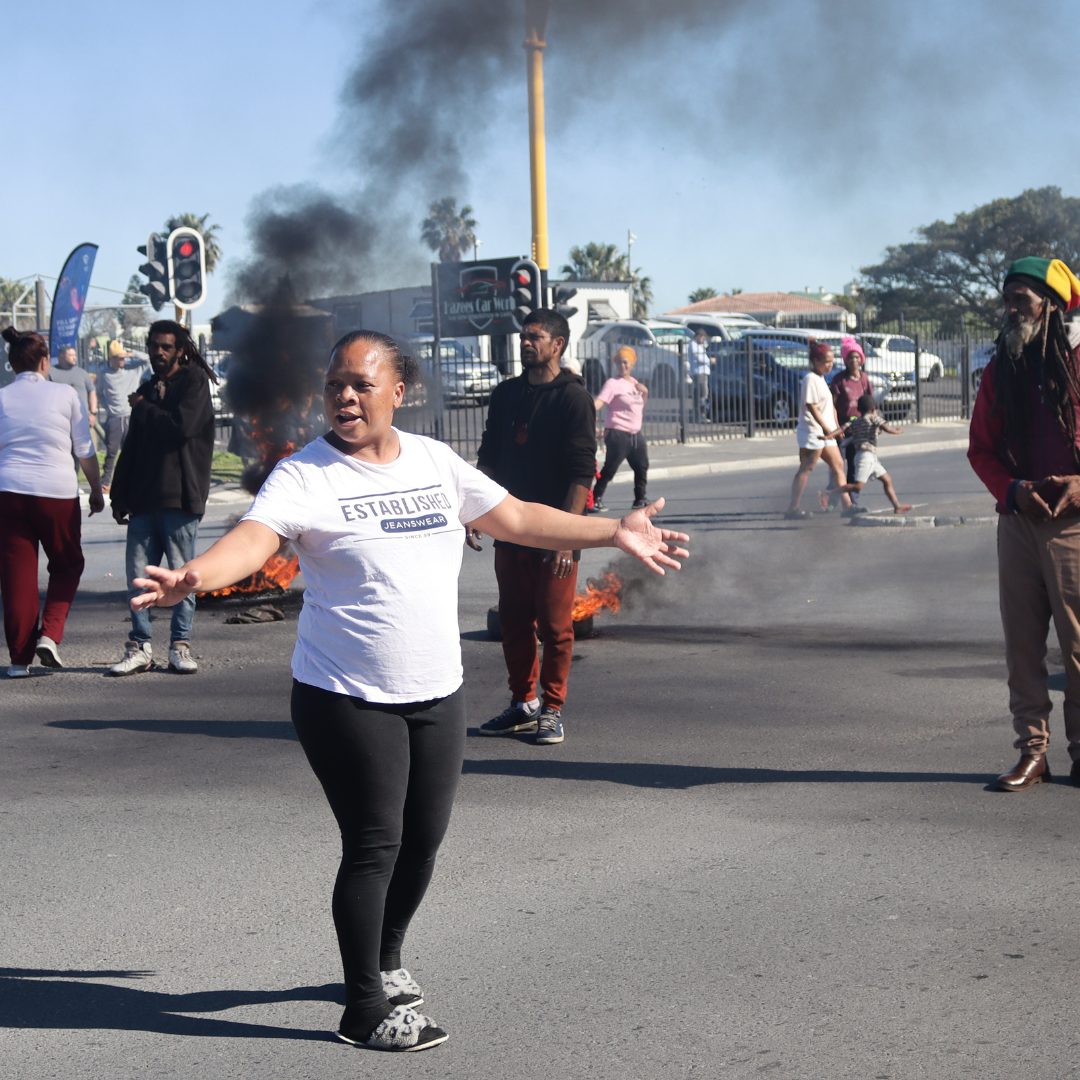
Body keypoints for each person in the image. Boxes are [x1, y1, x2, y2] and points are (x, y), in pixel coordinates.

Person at [129, 330, 689, 1051]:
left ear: (398, 392)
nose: (344, 396)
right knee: (375, 843)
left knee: (422, 843)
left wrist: (614, 530)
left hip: (435, 689)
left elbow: (518, 517)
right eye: (335, 384)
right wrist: (196, 575)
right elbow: (255, 538)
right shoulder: (306, 475)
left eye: (361, 384)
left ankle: (384, 961)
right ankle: (362, 1008)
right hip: (344, 693)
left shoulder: (433, 461)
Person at [968, 256, 1080, 792]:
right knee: (1022, 647)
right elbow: (981, 449)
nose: (1012, 309)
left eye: (1023, 300)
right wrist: (1012, 490)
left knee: (1077, 647)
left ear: (1051, 306)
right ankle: (1033, 752)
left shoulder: (1078, 361)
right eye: (1007, 299)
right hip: (1017, 521)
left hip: (1074, 525)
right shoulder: (1001, 369)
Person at [474, 308, 597, 746]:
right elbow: (488, 456)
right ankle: (523, 703)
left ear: (557, 344)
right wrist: (474, 510)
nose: (525, 343)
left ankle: (553, 709)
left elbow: (582, 473)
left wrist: (565, 537)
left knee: (555, 626)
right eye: (523, 336)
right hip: (511, 527)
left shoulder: (573, 399)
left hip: (556, 532)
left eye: (535, 337)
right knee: (513, 620)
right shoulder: (506, 394)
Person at [108, 320, 216, 677]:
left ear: (180, 350)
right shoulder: (148, 389)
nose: (158, 352)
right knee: (138, 579)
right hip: (144, 501)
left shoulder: (194, 382)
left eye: (166, 346)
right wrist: (119, 494)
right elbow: (132, 448)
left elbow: (181, 428)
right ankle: (140, 646)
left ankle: (180, 645)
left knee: (182, 578)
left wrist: (143, 407)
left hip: (180, 498)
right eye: (154, 345)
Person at [0, 327, 104, 678]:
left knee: (17, 576)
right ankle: (50, 633)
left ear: (13, 363)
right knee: (67, 563)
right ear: (45, 361)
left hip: (9, 492)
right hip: (56, 493)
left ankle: (19, 660)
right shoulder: (65, 394)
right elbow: (84, 449)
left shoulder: (2, 397)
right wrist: (95, 489)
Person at [784, 339, 851, 519]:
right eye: (826, 362)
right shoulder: (810, 379)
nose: (830, 365)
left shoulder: (821, 379)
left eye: (832, 361)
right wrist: (826, 428)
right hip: (813, 432)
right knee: (806, 468)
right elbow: (811, 407)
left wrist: (835, 428)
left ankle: (847, 506)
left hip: (826, 433)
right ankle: (793, 508)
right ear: (815, 361)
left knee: (838, 465)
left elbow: (829, 408)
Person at [826, 394, 912, 514]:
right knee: (857, 486)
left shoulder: (855, 421)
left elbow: (842, 428)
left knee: (887, 479)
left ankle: (897, 506)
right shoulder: (874, 418)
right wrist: (898, 431)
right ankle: (830, 493)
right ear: (873, 409)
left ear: (859, 409)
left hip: (867, 457)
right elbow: (887, 428)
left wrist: (828, 436)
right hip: (866, 457)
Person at [590, 345, 649, 513]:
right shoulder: (613, 384)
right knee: (610, 468)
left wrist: (645, 393)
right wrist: (586, 411)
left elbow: (638, 407)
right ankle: (596, 498)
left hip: (635, 434)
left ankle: (640, 498)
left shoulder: (635, 383)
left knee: (642, 466)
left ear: (632, 364)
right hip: (618, 433)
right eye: (619, 362)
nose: (622, 366)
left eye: (625, 362)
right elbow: (599, 402)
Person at [830, 336, 873, 508]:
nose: (854, 361)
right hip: (842, 430)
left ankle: (852, 500)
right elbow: (832, 406)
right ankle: (833, 498)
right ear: (845, 360)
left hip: (859, 431)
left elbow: (870, 404)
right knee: (838, 466)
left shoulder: (864, 379)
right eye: (850, 357)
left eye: (856, 357)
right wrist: (836, 427)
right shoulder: (839, 380)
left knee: (855, 467)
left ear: (861, 359)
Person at [99, 341, 148, 492]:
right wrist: (108, 407)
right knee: (111, 451)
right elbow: (99, 393)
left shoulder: (133, 370)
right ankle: (105, 482)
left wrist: (131, 354)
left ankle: (135, 480)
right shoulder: (105, 374)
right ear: (111, 359)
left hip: (131, 416)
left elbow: (148, 359)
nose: (122, 360)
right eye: (119, 358)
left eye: (123, 358)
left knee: (134, 449)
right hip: (114, 417)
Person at [50, 344, 98, 451]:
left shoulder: (82, 373)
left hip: (82, 420)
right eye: (71, 355)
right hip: (61, 421)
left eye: (75, 355)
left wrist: (93, 413)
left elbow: (92, 391)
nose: (74, 358)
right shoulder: (51, 373)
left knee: (85, 451)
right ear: (62, 356)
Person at [688, 328, 711, 421]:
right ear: (698, 336)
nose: (703, 339)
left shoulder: (699, 345)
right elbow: (700, 358)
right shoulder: (693, 345)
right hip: (699, 372)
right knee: (702, 394)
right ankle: (701, 415)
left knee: (699, 394)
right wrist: (710, 360)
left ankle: (698, 414)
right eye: (702, 337)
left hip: (702, 372)